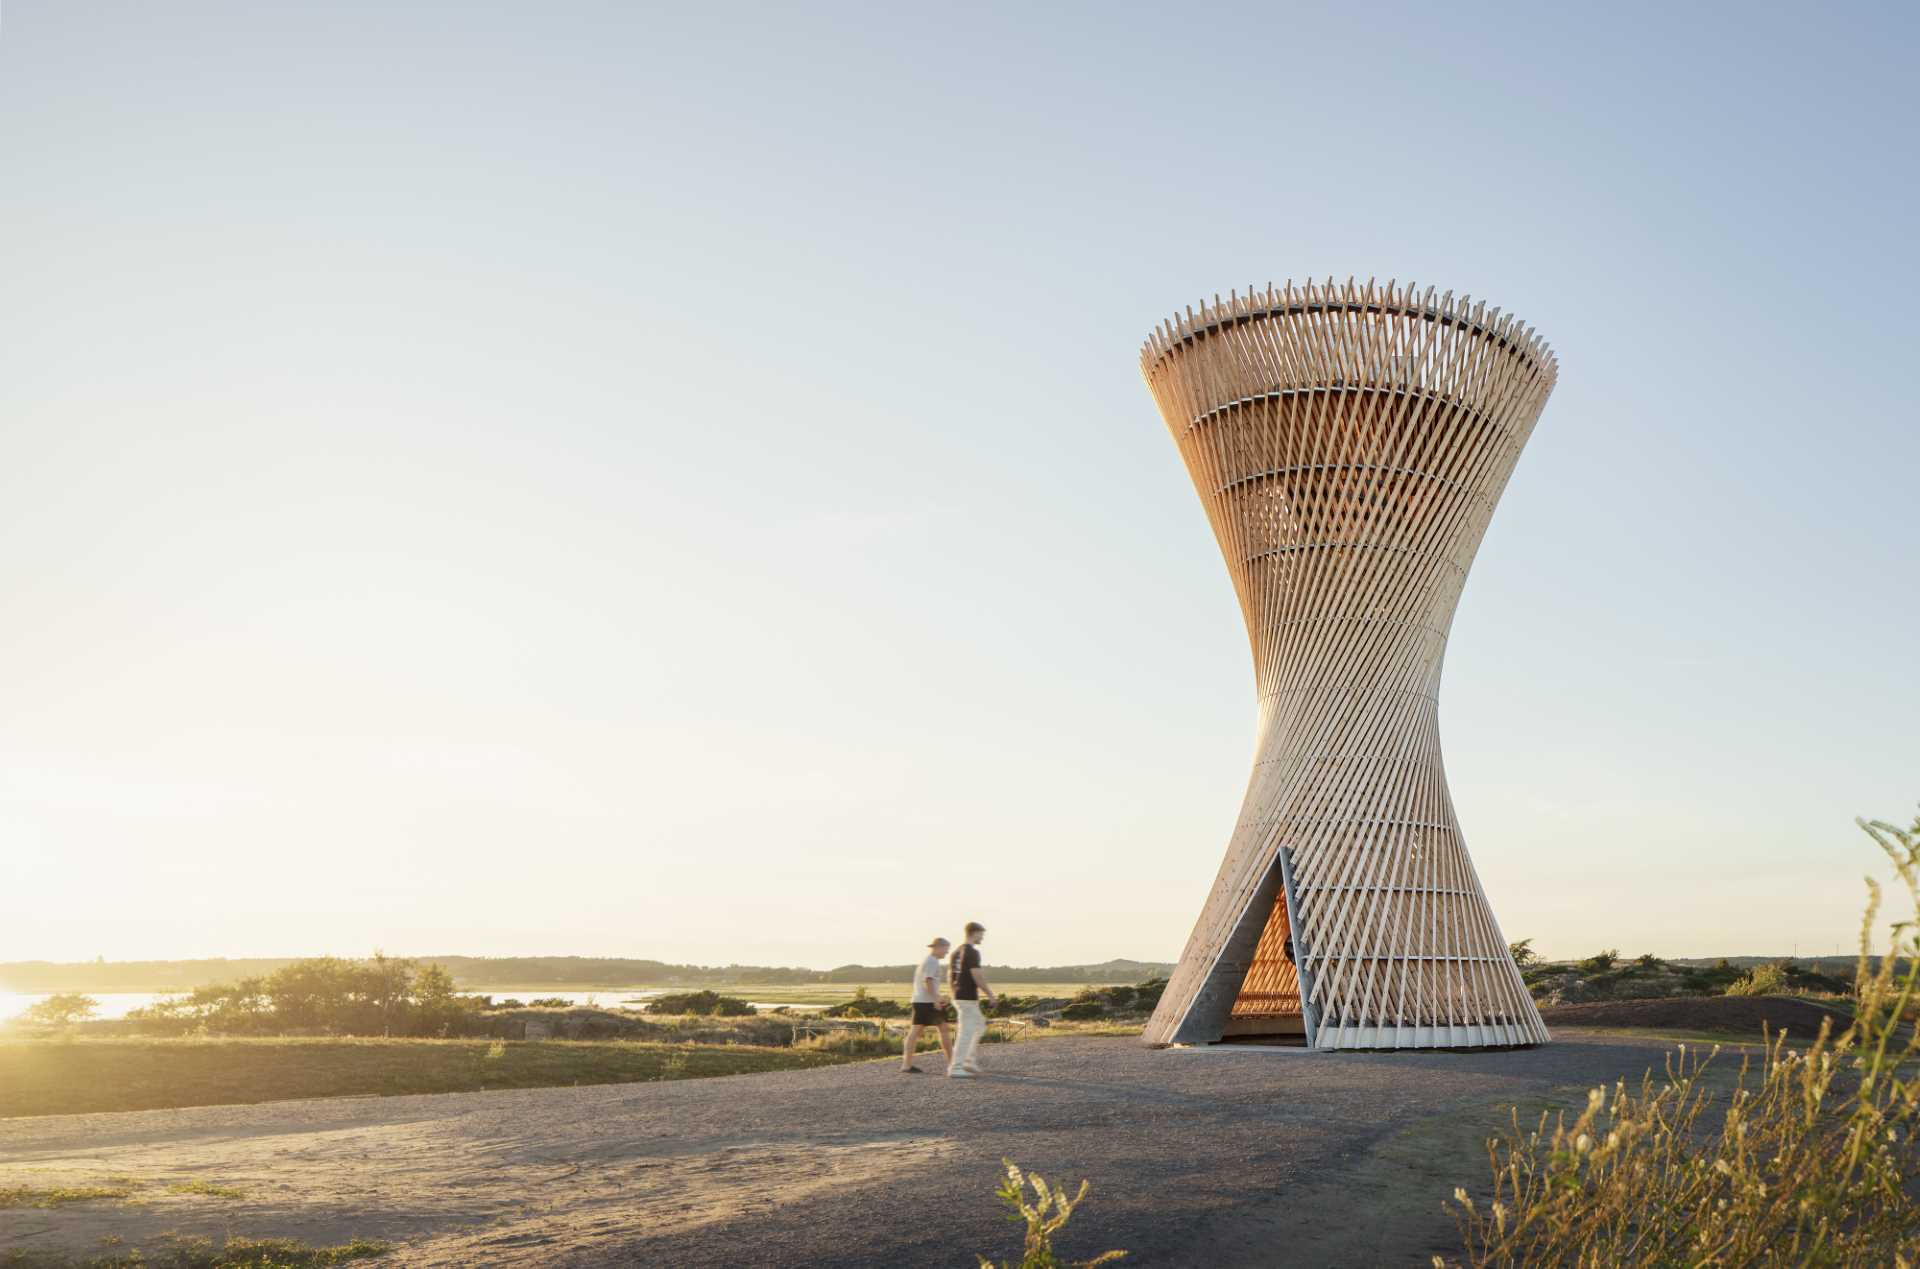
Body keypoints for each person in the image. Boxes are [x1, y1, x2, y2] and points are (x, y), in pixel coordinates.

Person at [947, 921, 996, 1077]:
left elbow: (950, 975)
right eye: (981, 934)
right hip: (967, 997)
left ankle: (968, 1061)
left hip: (960, 996)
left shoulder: (956, 952)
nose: (982, 937)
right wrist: (990, 995)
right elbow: (977, 975)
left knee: (979, 1026)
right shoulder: (972, 952)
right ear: (974, 933)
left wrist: (954, 992)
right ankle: (956, 1067)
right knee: (966, 1032)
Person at [901, 937, 953, 1073]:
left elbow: (928, 982)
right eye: (945, 950)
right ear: (938, 947)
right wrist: (937, 999)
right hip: (928, 1002)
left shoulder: (927, 960)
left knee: (915, 1033)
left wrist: (938, 997)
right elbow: (927, 981)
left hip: (921, 1001)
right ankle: (953, 1065)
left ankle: (906, 1065)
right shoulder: (932, 961)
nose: (946, 953)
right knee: (943, 1030)